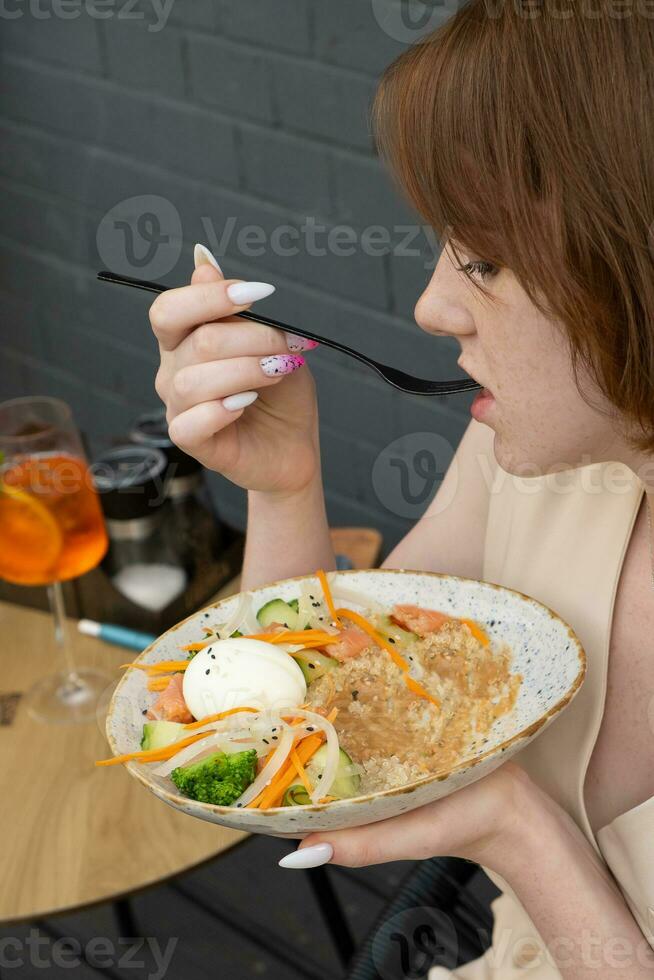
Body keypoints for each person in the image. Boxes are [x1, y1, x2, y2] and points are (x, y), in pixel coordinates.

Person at [149, 3, 654, 976]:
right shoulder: (535, 464)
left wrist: (520, 831)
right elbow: (321, 715)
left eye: (487, 259)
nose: (431, 306)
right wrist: (285, 485)